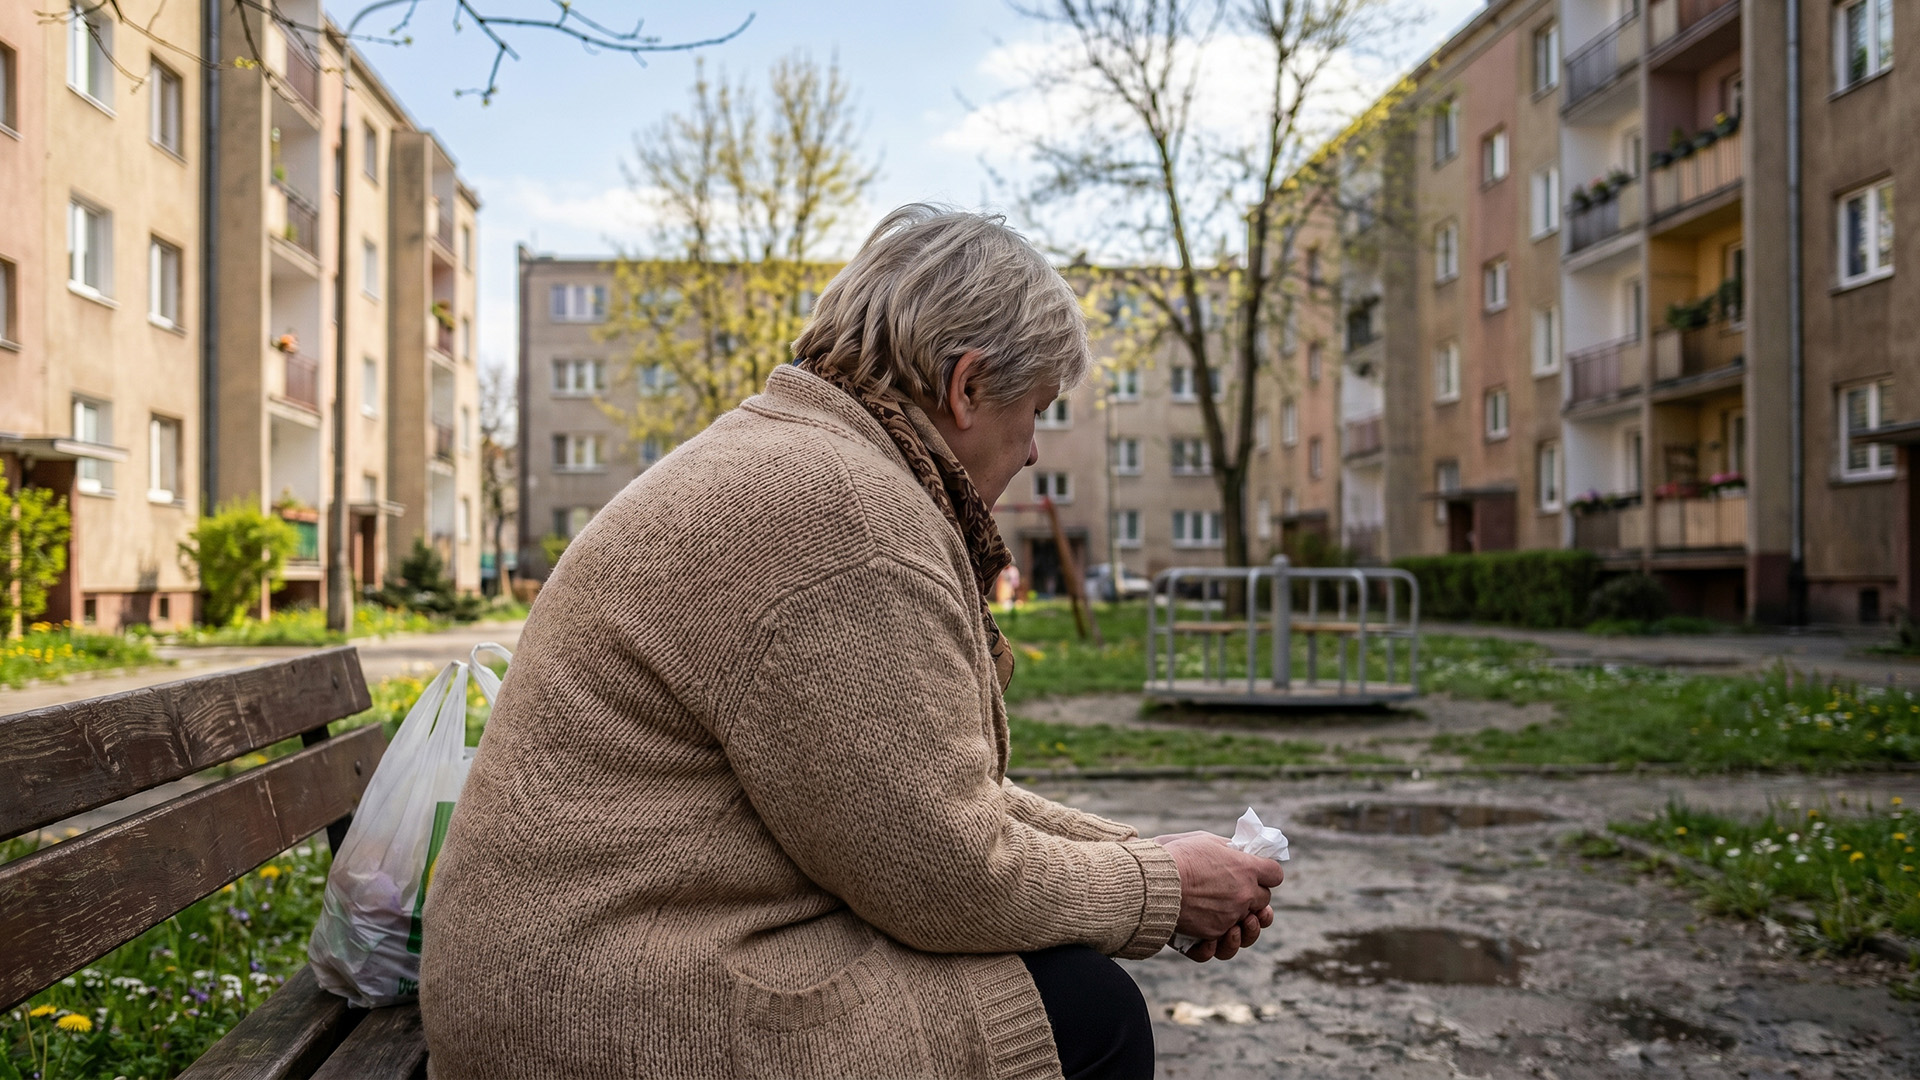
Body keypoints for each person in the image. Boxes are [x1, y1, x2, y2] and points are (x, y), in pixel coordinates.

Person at [419, 205, 1284, 1080]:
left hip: (583, 968)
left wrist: (1154, 862)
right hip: (604, 1015)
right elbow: (947, 874)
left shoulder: (801, 458)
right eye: (1037, 410)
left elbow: (924, 796)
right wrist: (1164, 887)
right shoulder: (845, 517)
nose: (1031, 452)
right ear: (967, 387)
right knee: (1087, 1014)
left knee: (1061, 982)